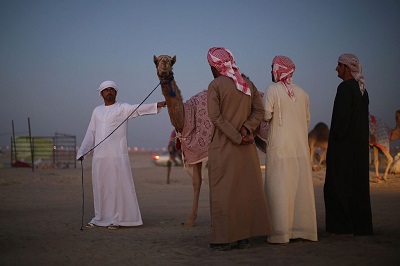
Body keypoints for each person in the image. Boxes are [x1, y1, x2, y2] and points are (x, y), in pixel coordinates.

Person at [77, 80, 166, 229]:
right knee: (101, 188)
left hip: (117, 156)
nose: (109, 92)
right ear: (101, 93)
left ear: (116, 92)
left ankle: (118, 219)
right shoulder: (96, 111)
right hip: (99, 157)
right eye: (106, 90)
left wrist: (157, 105)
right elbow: (91, 133)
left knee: (117, 187)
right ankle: (100, 218)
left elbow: (138, 109)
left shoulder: (122, 108)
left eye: (112, 89)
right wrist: (82, 152)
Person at [206, 47, 272, 251]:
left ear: (214, 66)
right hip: (246, 147)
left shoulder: (215, 85)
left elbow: (215, 117)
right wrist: (246, 129)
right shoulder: (247, 84)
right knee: (244, 191)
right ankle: (244, 237)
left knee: (223, 193)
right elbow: (259, 111)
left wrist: (236, 136)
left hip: (224, 146)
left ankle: (224, 239)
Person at [262, 55, 318, 244]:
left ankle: (280, 234)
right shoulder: (303, 93)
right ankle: (302, 231)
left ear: (278, 69)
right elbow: (307, 120)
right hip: (300, 152)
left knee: (279, 191)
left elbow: (266, 115)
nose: (271, 71)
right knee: (299, 191)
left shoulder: (272, 90)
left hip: (279, 150)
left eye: (272, 68)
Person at [324, 54, 373, 236]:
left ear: (346, 67)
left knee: (338, 186)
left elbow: (340, 122)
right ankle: (360, 227)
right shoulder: (362, 90)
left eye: (339, 65)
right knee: (357, 186)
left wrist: (335, 141)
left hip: (343, 148)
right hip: (358, 149)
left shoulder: (345, 88)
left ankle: (341, 227)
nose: (336, 68)